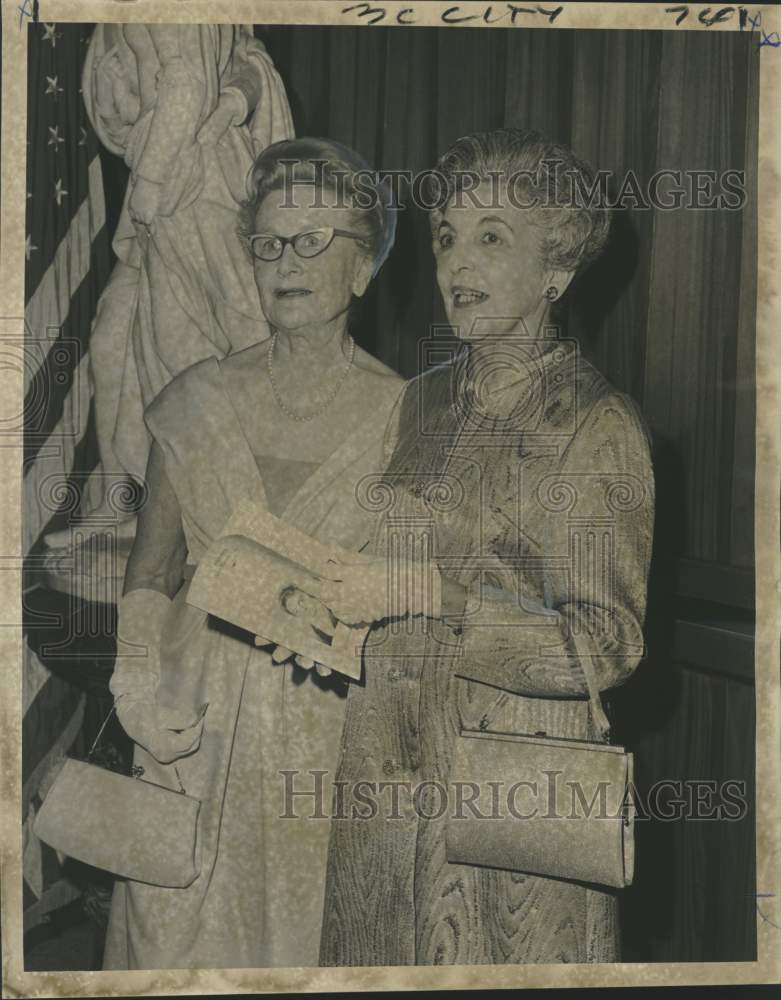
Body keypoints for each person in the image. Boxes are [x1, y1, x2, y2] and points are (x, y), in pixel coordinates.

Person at [311, 129, 655, 965]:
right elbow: (398, 569)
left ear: (556, 270)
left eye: (491, 237)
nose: (456, 262)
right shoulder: (421, 403)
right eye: (446, 237)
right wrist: (342, 630)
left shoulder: (595, 424)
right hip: (384, 783)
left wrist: (433, 598)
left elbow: (603, 648)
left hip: (505, 805)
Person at [101, 138, 402, 969]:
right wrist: (134, 681)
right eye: (268, 243)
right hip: (187, 727)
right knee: (171, 947)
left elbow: (410, 599)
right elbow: (152, 572)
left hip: (327, 741)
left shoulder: (409, 420)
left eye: (313, 241)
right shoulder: (195, 400)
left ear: (363, 268)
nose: (285, 262)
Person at [45, 25, 294, 550]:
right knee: (114, 339)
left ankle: (199, 519)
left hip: (190, 177)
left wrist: (157, 177)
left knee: (187, 347)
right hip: (162, 168)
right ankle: (123, 495)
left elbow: (189, 77)